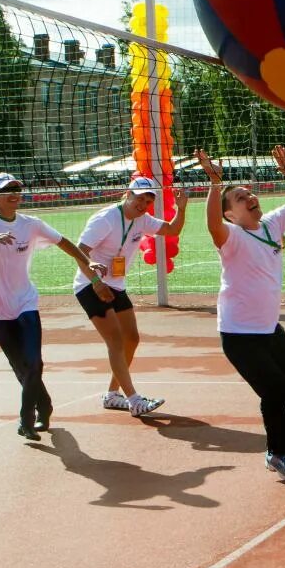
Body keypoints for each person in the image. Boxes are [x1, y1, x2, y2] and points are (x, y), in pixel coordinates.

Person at [195, 145, 285, 481]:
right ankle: (276, 453)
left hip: (269, 329)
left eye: (249, 192)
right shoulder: (231, 236)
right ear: (230, 214)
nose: (249, 196)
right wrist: (215, 185)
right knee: (276, 389)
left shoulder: (271, 224)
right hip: (240, 335)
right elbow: (211, 226)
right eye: (239, 197)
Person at [0, 173, 105, 441]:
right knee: (21, 367)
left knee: (34, 361)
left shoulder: (31, 224)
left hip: (25, 302)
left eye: (17, 189)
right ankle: (44, 404)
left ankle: (26, 420)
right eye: (7, 190)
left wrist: (87, 263)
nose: (14, 194)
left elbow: (64, 242)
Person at [73, 175, 187, 417]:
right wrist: (95, 282)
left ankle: (112, 395)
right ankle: (134, 400)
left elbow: (172, 229)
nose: (142, 204)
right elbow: (80, 251)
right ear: (128, 194)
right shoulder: (105, 219)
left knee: (131, 339)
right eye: (139, 198)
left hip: (115, 284)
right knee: (115, 340)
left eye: (147, 200)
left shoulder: (142, 220)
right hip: (89, 284)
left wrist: (182, 208)